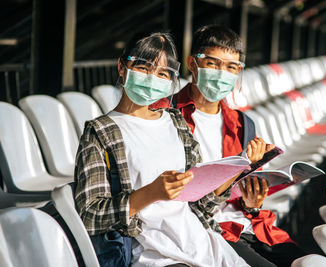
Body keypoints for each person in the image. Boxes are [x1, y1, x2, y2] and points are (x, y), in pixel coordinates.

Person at [74, 32, 249, 266]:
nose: (152, 78)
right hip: (153, 255)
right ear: (122, 67)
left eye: (163, 73)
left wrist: (237, 169)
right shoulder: (101, 132)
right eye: (144, 68)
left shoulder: (176, 122)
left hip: (202, 242)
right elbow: (89, 215)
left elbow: (200, 205)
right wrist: (150, 194)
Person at [151, 25, 306, 267]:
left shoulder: (243, 124)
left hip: (245, 223)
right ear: (192, 64)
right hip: (201, 229)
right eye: (213, 64)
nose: (222, 73)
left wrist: (251, 201)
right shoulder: (162, 114)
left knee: (308, 261)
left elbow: (238, 193)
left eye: (232, 67)